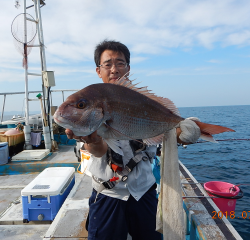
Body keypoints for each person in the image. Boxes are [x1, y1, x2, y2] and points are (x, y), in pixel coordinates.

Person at [66, 40, 190, 240]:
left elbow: (165, 132)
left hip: (144, 190)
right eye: (108, 64)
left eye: (120, 63)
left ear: (128, 68)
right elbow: (97, 151)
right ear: (99, 70)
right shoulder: (89, 101)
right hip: (108, 193)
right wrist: (94, 140)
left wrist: (184, 130)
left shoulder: (142, 99)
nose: (114, 69)